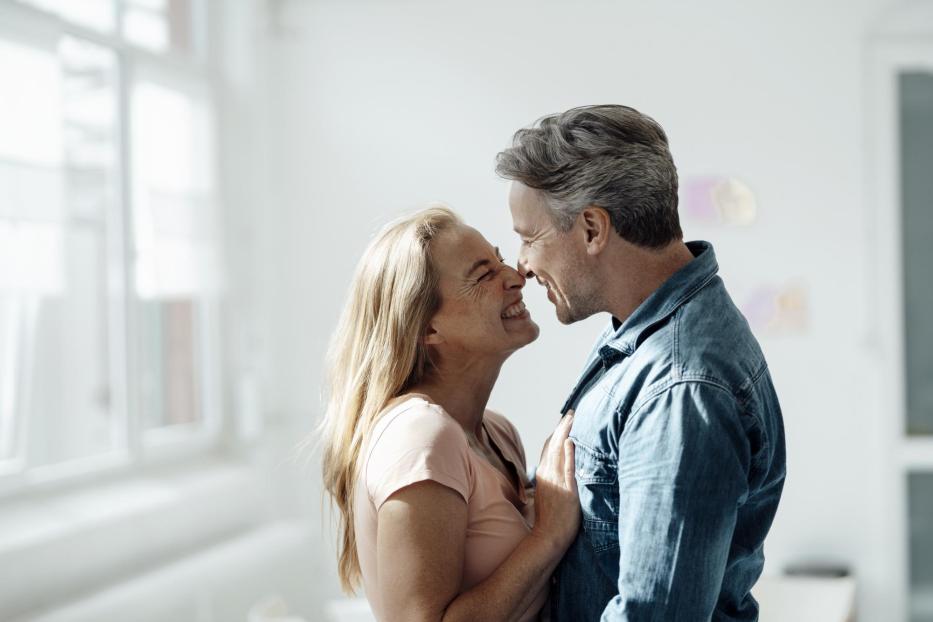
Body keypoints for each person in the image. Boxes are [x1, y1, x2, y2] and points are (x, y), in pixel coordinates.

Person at [496, 105, 787, 621]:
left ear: (591, 229)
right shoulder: (643, 337)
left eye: (528, 237)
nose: (522, 264)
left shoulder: (681, 387)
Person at [319, 205, 580, 622]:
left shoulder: (498, 432)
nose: (516, 276)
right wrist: (548, 534)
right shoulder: (420, 436)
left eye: (499, 259)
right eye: (483, 275)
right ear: (426, 328)